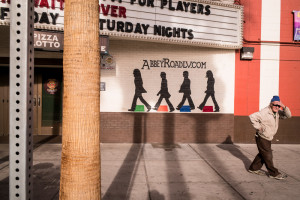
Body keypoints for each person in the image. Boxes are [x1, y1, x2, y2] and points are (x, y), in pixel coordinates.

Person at [248, 95, 292, 180]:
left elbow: (288, 115)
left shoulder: (277, 112)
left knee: (263, 154)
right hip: (262, 137)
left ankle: (253, 168)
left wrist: (283, 106)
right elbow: (252, 117)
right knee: (268, 156)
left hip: (268, 137)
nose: (277, 107)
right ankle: (273, 173)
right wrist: (259, 128)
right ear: (271, 104)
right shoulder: (265, 112)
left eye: (278, 105)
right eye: (275, 105)